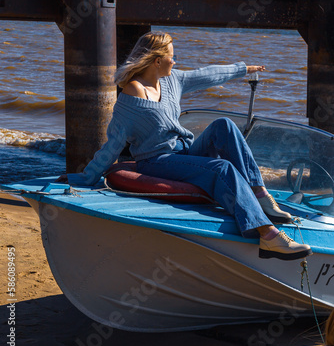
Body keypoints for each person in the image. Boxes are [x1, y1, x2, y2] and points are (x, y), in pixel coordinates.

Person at [58, 32, 312, 261]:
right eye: (172, 56)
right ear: (157, 61)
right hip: (156, 161)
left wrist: (243, 69)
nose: (175, 61)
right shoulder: (133, 94)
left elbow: (207, 75)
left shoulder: (171, 81)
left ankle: (259, 194)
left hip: (184, 153)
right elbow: (113, 144)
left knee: (223, 125)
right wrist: (86, 176)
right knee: (221, 168)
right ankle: (268, 236)